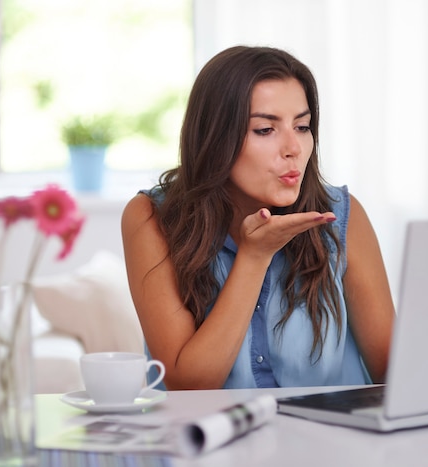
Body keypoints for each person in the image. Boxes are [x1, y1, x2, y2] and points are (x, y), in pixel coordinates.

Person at [121, 46, 395, 390]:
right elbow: (189, 386)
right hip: (207, 440)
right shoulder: (152, 218)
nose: (293, 148)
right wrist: (254, 257)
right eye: (265, 129)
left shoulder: (341, 215)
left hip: (330, 441)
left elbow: (396, 375)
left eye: (303, 126)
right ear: (215, 136)